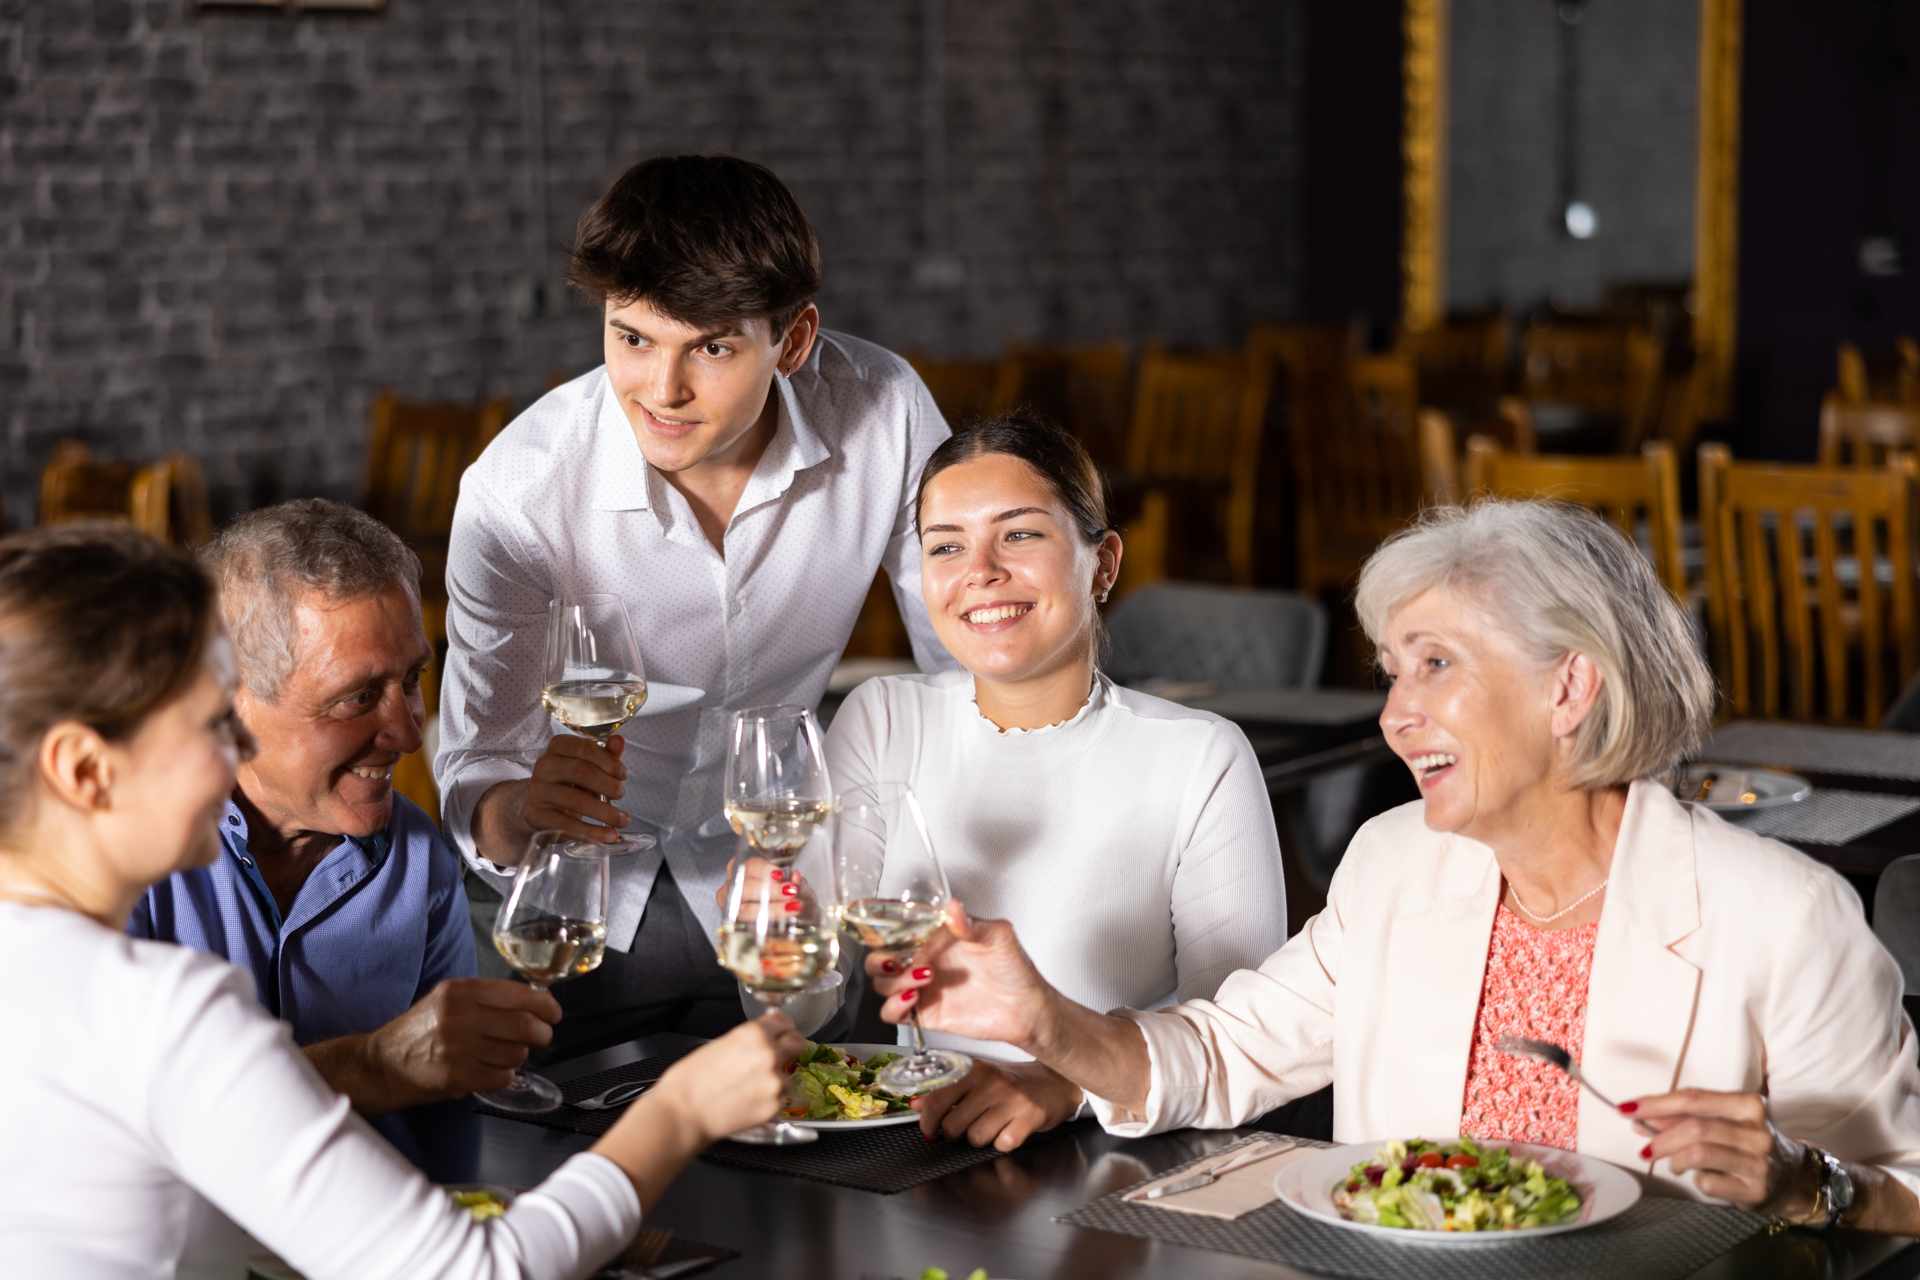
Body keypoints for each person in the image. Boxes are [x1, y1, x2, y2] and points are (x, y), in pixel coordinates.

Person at [869, 500, 1920, 1231]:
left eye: (1437, 663)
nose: (1394, 712)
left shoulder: (1784, 915)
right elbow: (1219, 1053)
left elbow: (1903, 1191)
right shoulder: (1395, 864)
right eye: (1391, 669)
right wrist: (1050, 1023)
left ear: (1569, 690)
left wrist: (1802, 1181)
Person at [0, 524, 804, 1278]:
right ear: (83, 770)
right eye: (211, 727)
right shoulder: (160, 1011)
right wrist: (682, 1109)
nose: (228, 760)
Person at [436, 154, 954, 1053]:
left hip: (791, 889)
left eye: (710, 347)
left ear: (792, 343)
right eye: (632, 338)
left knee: (814, 1158)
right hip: (580, 914)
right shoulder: (518, 492)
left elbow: (962, 668)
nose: (661, 391)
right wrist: (524, 807)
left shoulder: (884, 412)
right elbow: (475, 764)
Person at [825, 415, 1288, 1152]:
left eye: (1019, 535)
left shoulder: (1200, 756)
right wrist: (772, 940)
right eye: (947, 546)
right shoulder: (881, 718)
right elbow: (814, 992)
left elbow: (1245, 1038)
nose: (980, 570)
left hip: (1115, 1161)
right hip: (906, 1149)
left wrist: (1068, 1083)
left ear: (1102, 564)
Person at [127, 499, 546, 1179]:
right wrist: (375, 1064)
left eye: (411, 681)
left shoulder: (417, 859)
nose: (410, 733)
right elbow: (128, 1125)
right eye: (357, 697)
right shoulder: (126, 860)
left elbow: (449, 1129)